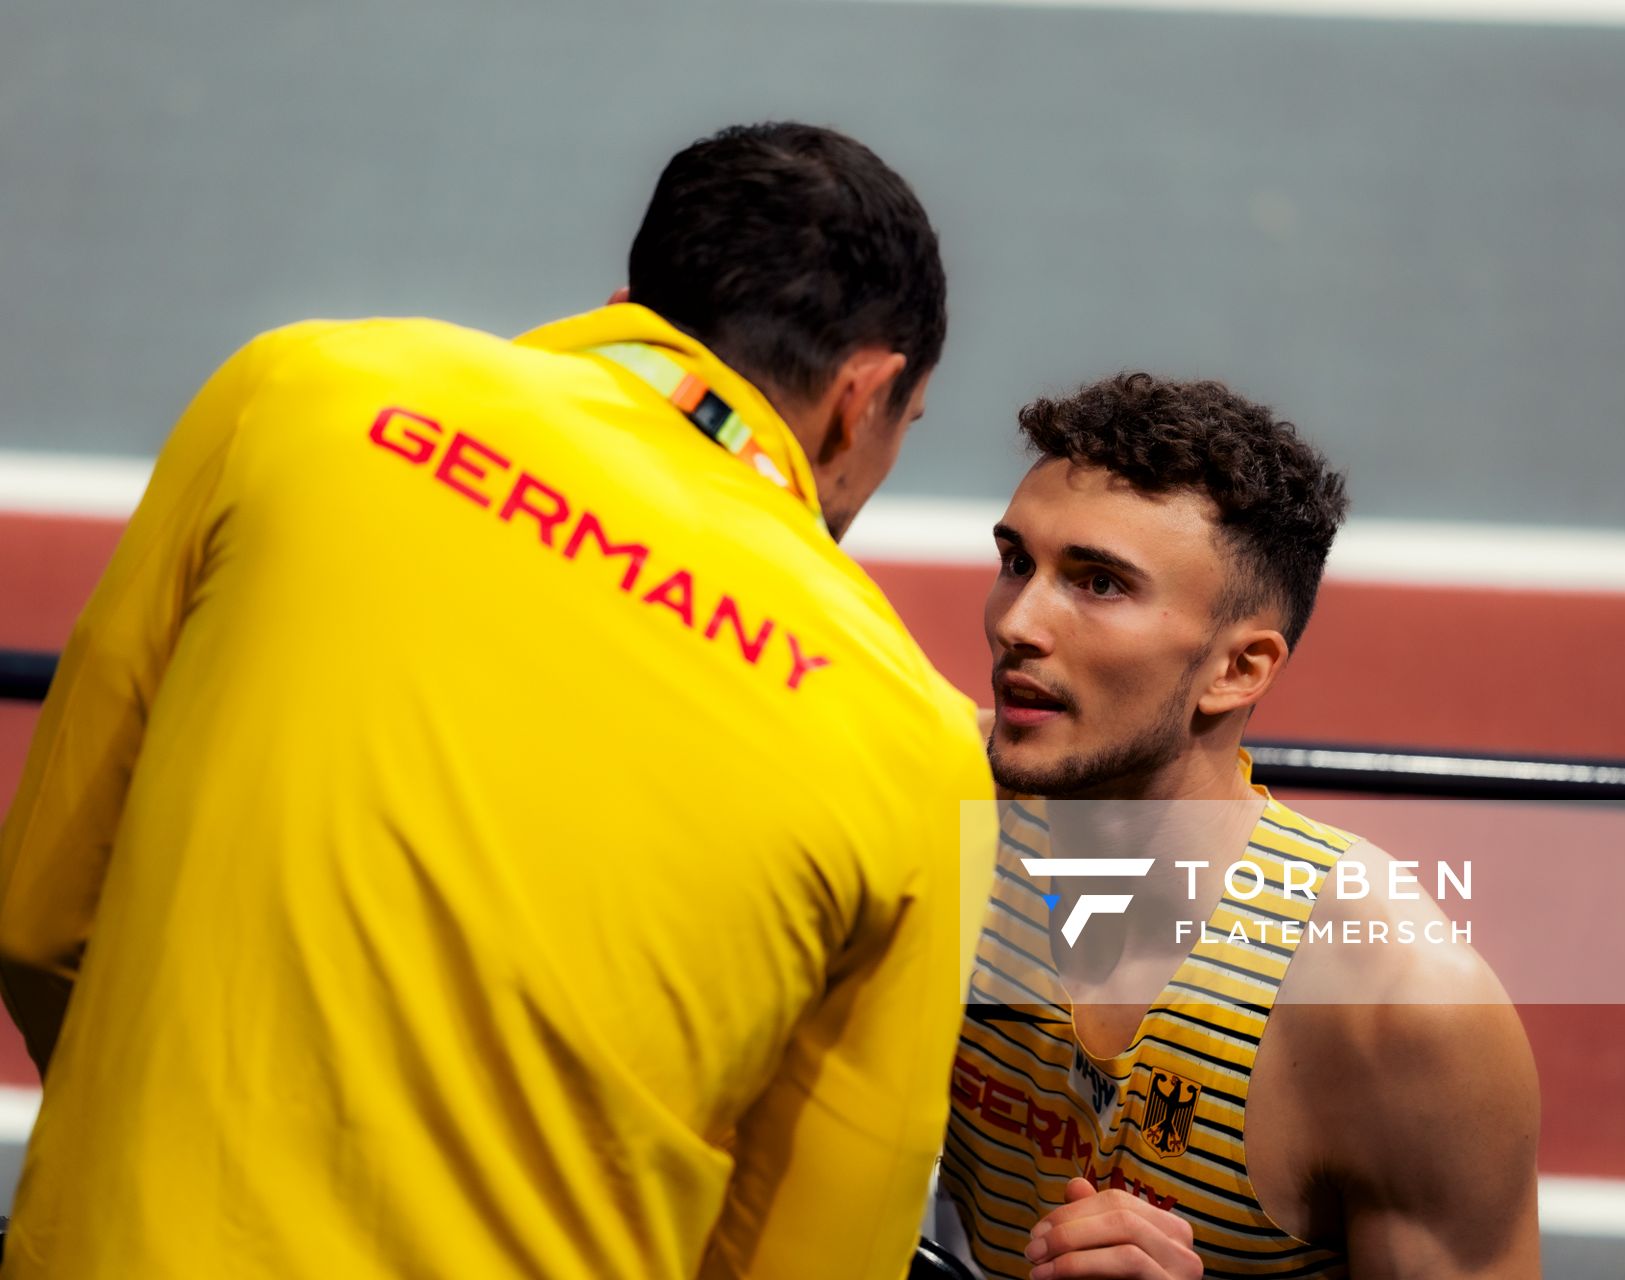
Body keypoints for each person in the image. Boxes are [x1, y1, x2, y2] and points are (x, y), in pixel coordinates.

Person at [0, 122, 994, 1279]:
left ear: (633, 301)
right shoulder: (920, 741)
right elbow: (815, 1256)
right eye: (901, 433)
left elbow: (38, 917)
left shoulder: (302, 390)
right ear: (861, 396)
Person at [936, 374, 1540, 1278]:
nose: (1017, 623)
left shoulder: (1398, 1014)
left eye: (1099, 584)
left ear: (1238, 669)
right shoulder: (923, 808)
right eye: (1018, 562)